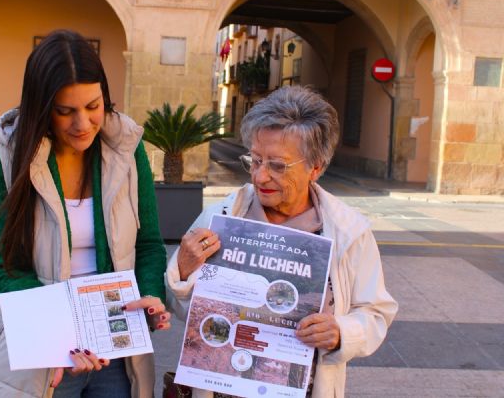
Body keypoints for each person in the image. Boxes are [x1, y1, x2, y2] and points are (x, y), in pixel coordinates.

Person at [166, 85, 397, 397]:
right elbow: (183, 312)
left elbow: (375, 312)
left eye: (277, 165)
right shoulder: (220, 218)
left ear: (316, 167)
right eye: (255, 160)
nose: (260, 177)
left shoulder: (348, 231)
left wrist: (341, 332)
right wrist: (182, 270)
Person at [0, 29, 170, 398]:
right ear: (41, 107)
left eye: (93, 106)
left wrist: (149, 295)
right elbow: (6, 266)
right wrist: (58, 340)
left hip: (115, 348)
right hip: (41, 352)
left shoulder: (127, 151)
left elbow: (147, 243)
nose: (83, 124)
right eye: (65, 111)